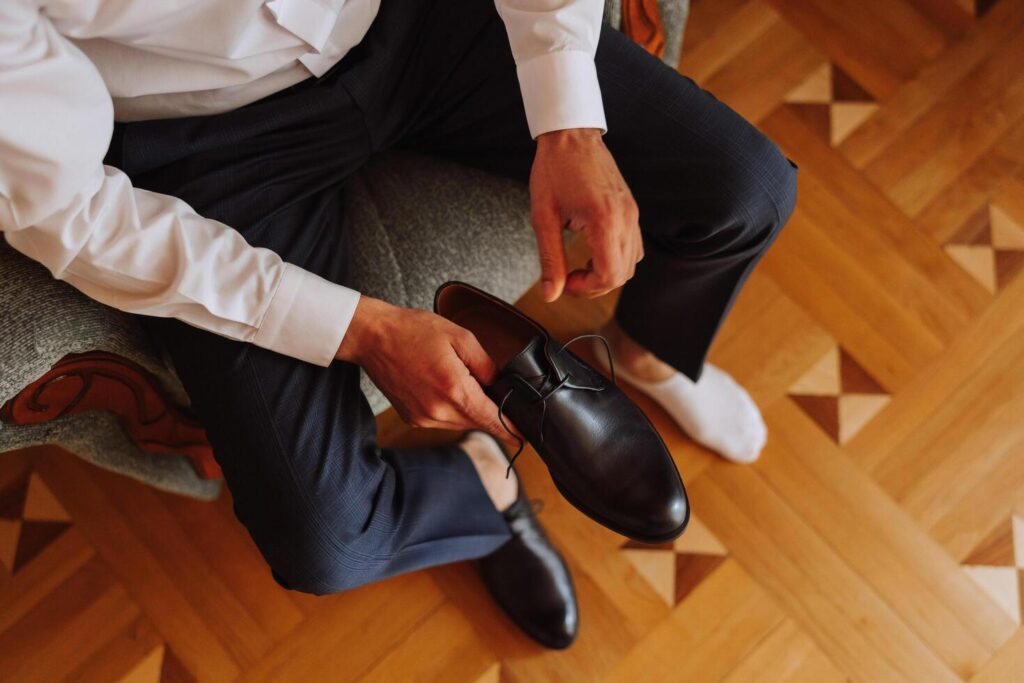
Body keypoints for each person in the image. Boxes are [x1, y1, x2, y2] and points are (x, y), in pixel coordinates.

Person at [0, 0, 796, 646]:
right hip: (212, 147)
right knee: (328, 540)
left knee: (749, 192)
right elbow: (72, 210)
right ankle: (486, 486)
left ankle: (649, 355)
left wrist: (569, 120)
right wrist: (364, 329)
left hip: (421, 20)